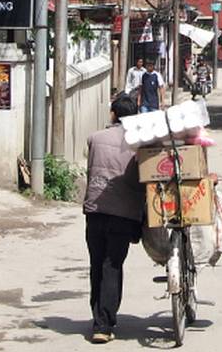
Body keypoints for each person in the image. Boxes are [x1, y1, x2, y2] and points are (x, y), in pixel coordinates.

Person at [83, 95, 144, 344]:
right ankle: (104, 324)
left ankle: (101, 320)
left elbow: (91, 170)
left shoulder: (94, 139)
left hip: (95, 210)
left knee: (97, 265)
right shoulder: (138, 143)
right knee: (112, 265)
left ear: (112, 114)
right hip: (123, 214)